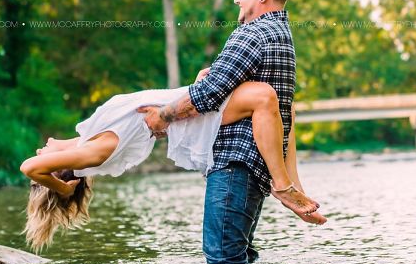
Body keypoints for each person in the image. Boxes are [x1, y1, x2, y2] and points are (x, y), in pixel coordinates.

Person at [139, 0, 312, 264]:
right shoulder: (281, 35)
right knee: (238, 258)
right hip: (253, 169)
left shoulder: (252, 34)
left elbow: (207, 95)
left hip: (235, 166)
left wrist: (162, 116)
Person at [20, 74, 325, 252]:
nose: (38, 149)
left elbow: (38, 166)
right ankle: (286, 187)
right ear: (57, 170)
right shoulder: (95, 152)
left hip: (193, 99)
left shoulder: (86, 136)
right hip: (197, 117)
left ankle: (291, 185)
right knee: (267, 98)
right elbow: (29, 169)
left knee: (282, 105)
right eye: (41, 157)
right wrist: (59, 188)